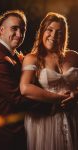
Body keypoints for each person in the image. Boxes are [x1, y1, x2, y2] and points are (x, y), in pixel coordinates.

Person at [20, 12, 78, 150]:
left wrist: (76, 94)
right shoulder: (32, 58)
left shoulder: (74, 56)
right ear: (42, 31)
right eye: (49, 30)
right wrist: (60, 99)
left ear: (64, 35)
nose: (53, 36)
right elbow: (25, 88)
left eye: (59, 32)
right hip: (45, 120)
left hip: (72, 117)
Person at [0, 10, 30, 150]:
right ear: (1, 30)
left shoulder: (11, 55)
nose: (20, 34)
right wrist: (52, 104)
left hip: (19, 132)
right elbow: (18, 98)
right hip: (9, 137)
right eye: (14, 29)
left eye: (23, 30)